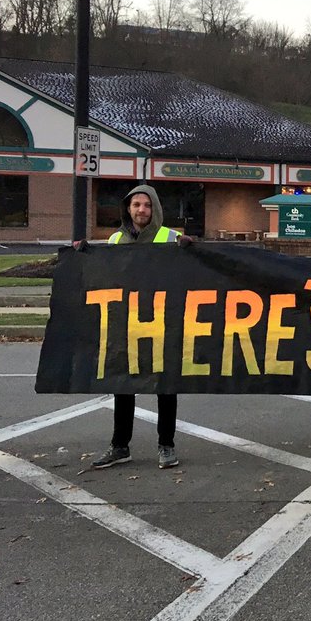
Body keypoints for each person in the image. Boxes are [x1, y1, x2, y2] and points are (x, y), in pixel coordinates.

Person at [90, 184, 189, 470]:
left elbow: (192, 273)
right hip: (126, 323)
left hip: (163, 322)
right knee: (123, 384)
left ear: (155, 208)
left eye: (147, 205)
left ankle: (166, 445)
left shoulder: (172, 237)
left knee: (165, 385)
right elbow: (103, 277)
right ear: (128, 208)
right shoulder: (115, 240)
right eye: (136, 205)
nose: (141, 210)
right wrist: (82, 255)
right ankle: (120, 446)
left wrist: (191, 249)